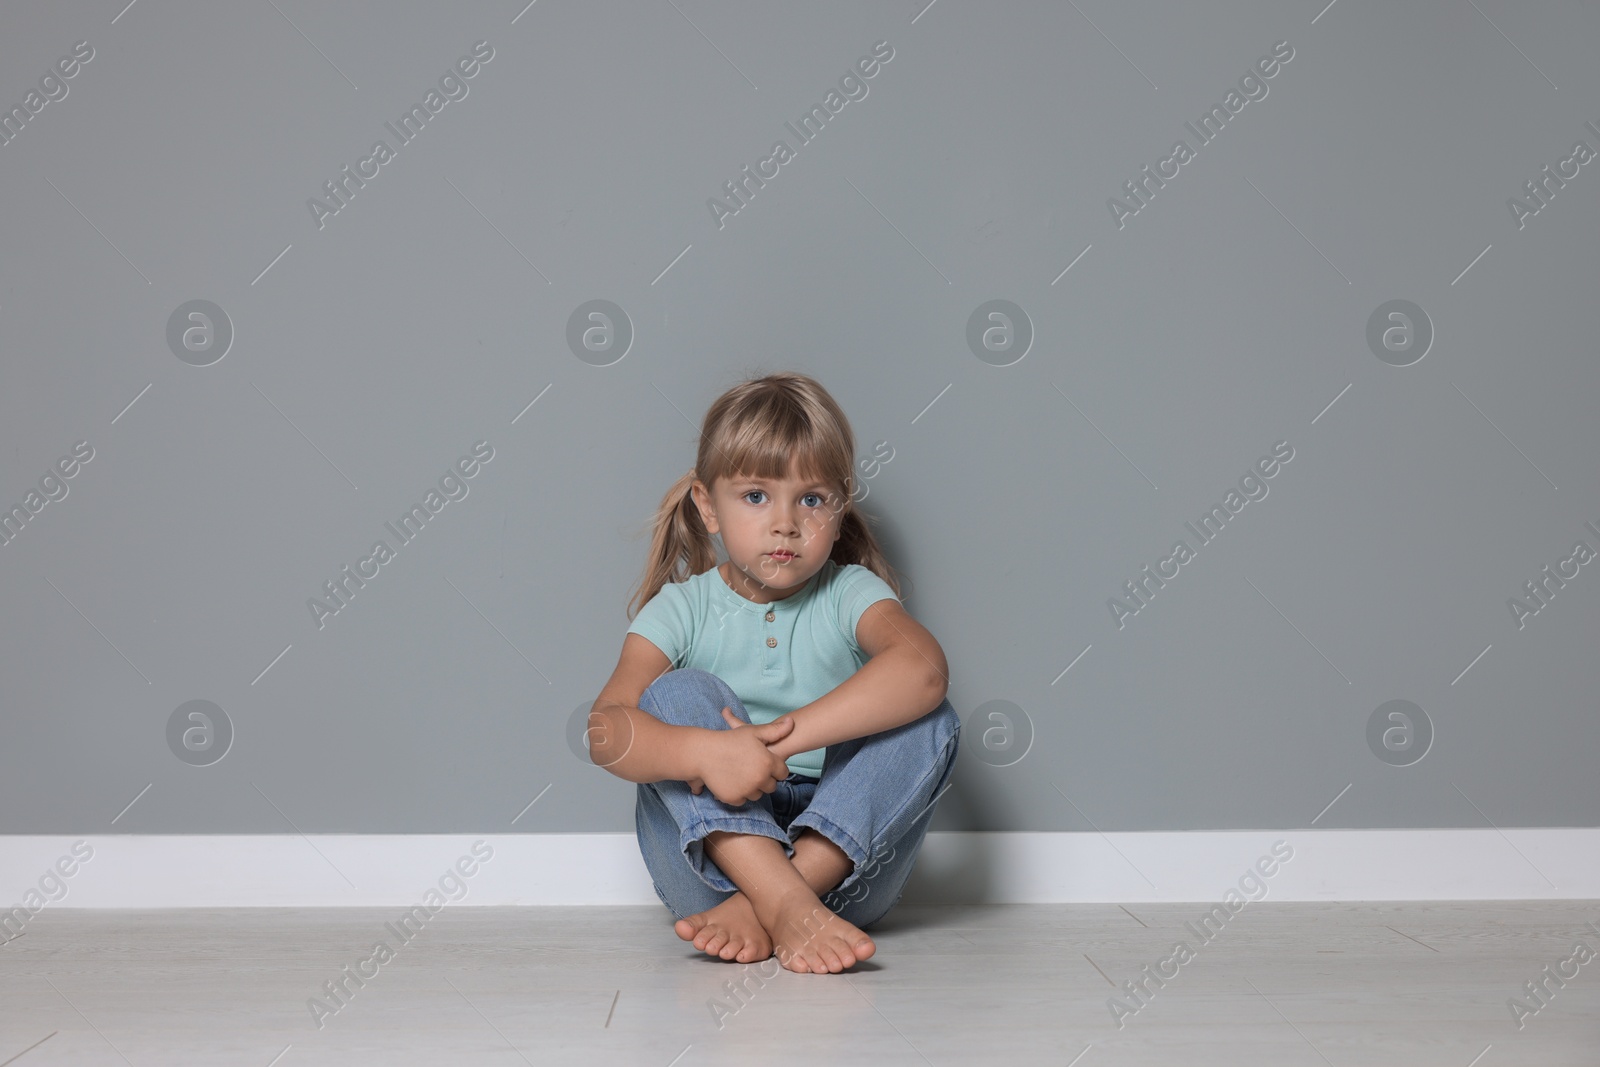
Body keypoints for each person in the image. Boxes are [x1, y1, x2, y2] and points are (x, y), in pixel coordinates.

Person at [589, 371, 959, 974]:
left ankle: (772, 902)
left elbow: (923, 670)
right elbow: (605, 731)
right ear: (707, 506)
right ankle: (783, 900)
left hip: (844, 866)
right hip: (707, 859)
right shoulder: (683, 608)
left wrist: (777, 740)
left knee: (931, 718)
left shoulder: (848, 594)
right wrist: (706, 754)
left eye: (811, 500)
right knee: (675, 692)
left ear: (838, 513)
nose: (786, 523)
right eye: (756, 496)